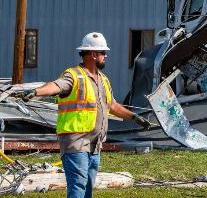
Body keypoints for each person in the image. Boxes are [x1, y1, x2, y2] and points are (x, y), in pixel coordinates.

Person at [12, 32, 153, 198]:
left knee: (87, 188)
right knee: (78, 186)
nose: (106, 56)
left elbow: (112, 106)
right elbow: (55, 86)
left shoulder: (103, 80)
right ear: (93, 55)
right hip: (76, 142)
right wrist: (36, 92)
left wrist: (135, 117)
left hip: (95, 144)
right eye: (103, 52)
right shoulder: (73, 75)